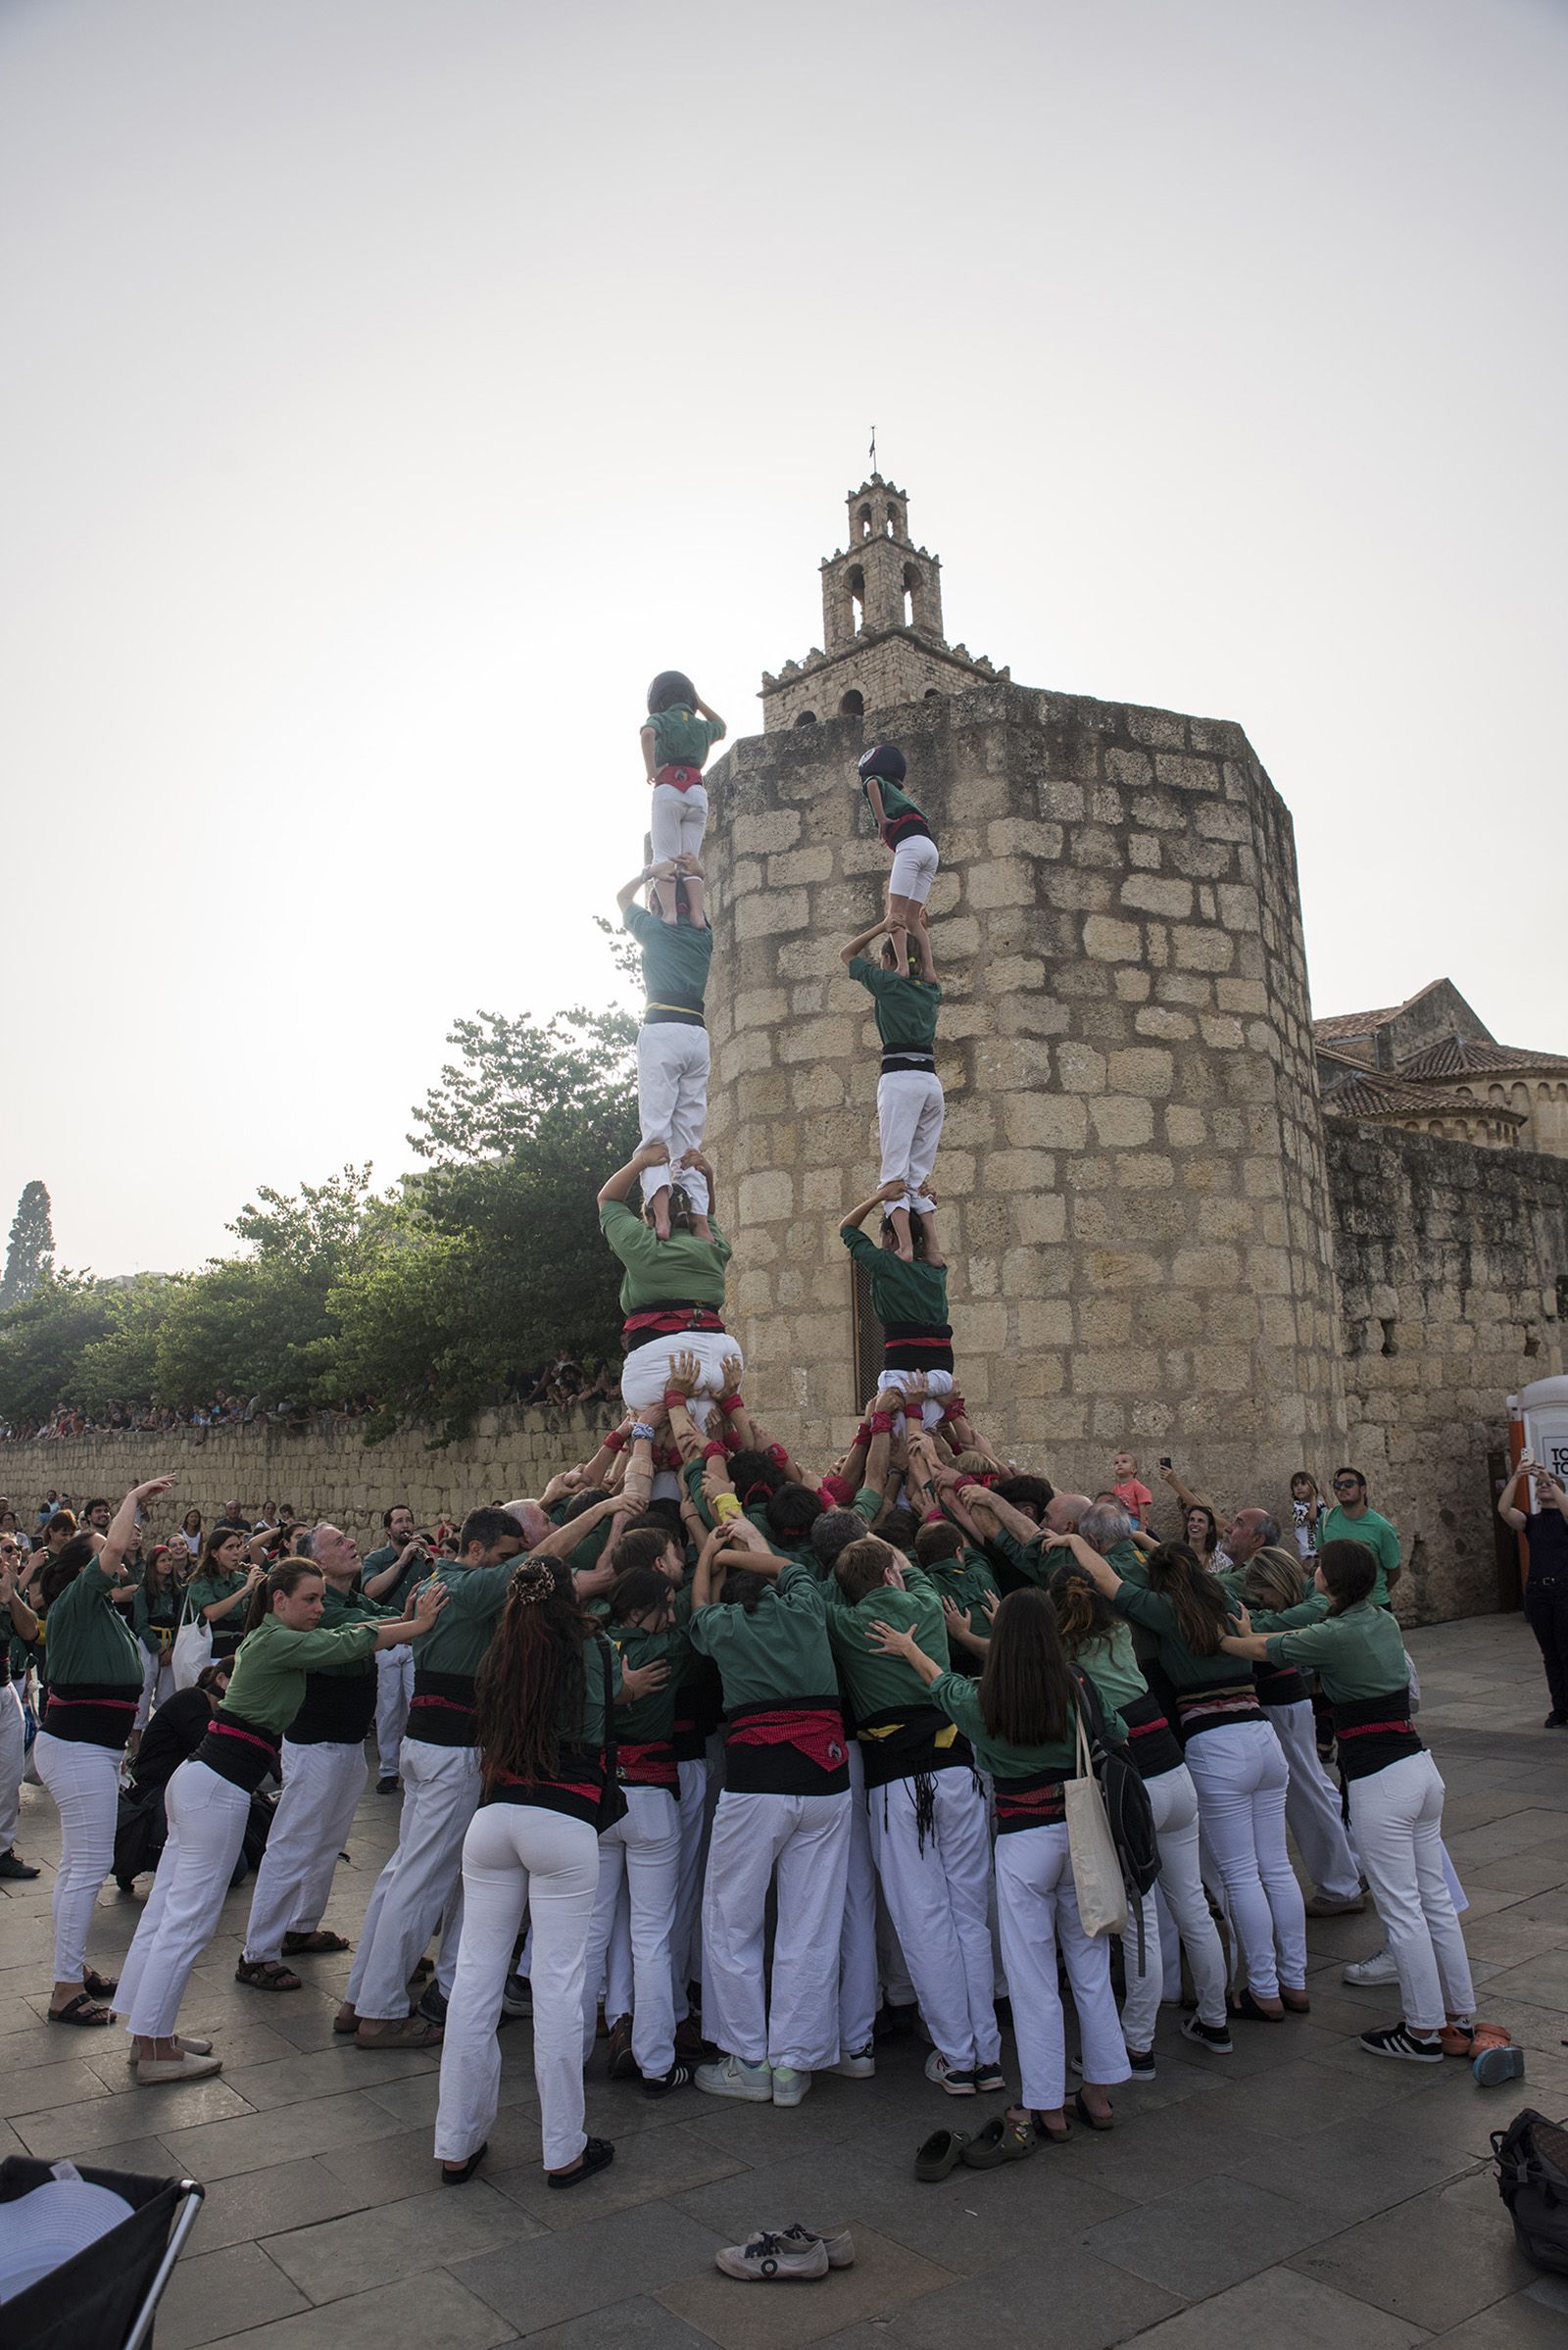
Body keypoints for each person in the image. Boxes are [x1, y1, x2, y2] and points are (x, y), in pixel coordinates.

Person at [114, 1557, 445, 2083]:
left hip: (204, 1784)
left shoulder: (276, 1638)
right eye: (309, 1600)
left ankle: (151, 2036)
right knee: (187, 1920)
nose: (318, 1608)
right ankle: (154, 2048)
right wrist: (420, 1625)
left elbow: (350, 1629)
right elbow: (346, 1643)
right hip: (214, 1790)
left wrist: (396, 1621)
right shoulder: (275, 1642)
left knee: (166, 1915)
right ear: (279, 1601)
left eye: (320, 1599)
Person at [868, 1588, 1129, 2140]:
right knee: (1090, 1967)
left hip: (1022, 1842)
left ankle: (1044, 2105)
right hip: (1082, 1833)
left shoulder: (986, 1699)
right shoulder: (1079, 1683)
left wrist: (909, 1649)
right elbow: (1119, 1736)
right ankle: (1100, 2095)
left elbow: (941, 1685)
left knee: (1033, 1978)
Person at [1221, 1540, 1477, 2063]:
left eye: (1320, 1569)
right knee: (1433, 1903)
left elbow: (1267, 1651)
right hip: (1420, 1770)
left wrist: (1221, 1637)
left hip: (1381, 1780)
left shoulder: (1334, 1635)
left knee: (1403, 1910)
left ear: (1330, 1581)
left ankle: (1424, 2032)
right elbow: (1291, 1636)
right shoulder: (1381, 1620)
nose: (1313, 1572)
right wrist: (1259, 1632)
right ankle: (1461, 2016)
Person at [435, 1556, 624, 2188]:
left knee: (472, 1985)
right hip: (562, 1821)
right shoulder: (592, 1648)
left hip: (494, 1822)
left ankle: (456, 2144)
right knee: (559, 1987)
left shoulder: (500, 1654)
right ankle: (562, 2148)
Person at [1070, 1538, 1309, 2025]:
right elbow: (1183, 1564)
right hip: (1261, 1734)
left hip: (1215, 1743)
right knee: (1277, 1867)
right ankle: (1296, 1981)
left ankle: (1262, 1989)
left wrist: (1075, 1539)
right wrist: (1143, 1537)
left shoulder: (1164, 1608)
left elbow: (1106, 1579)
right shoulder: (1226, 1597)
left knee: (1240, 1874)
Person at [340, 1508, 530, 2047]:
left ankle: (361, 1999)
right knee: (421, 1881)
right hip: (449, 1752)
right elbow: (542, 1560)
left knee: (404, 1872)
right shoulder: (462, 1587)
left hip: (428, 1746)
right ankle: (379, 2011)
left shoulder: (436, 1582)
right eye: (501, 1557)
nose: (508, 1567)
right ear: (474, 1551)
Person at [1046, 1530, 1232, 2070]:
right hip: (1174, 1771)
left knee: (1142, 1918)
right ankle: (1215, 2021)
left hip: (1134, 1787)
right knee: (1191, 1904)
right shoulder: (1121, 1636)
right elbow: (1107, 1579)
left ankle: (1136, 2044)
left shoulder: (1064, 1656)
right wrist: (1076, 1540)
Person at [826, 1534, 1001, 2097]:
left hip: (899, 1783)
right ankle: (986, 2052)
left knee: (922, 1918)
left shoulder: (848, 1623)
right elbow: (909, 1569)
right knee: (970, 1915)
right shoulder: (925, 1602)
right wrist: (884, 1551)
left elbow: (824, 1589)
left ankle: (959, 2056)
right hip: (957, 1770)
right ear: (891, 1575)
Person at [686, 1523, 853, 2108]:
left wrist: (709, 1553)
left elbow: (699, 1606)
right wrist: (749, 1539)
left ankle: (748, 2058)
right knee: (811, 1923)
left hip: (755, 1786)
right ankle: (794, 2064)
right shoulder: (806, 1607)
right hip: (827, 1781)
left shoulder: (723, 1627)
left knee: (733, 1920)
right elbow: (788, 1568)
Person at [235, 1523, 402, 1988]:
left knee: (327, 1843)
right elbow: (367, 1631)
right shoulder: (318, 1610)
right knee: (292, 1844)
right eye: (338, 1542)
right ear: (317, 1563)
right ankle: (257, 1952)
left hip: (345, 1744)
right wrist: (417, 1620)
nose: (352, 1544)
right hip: (316, 1745)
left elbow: (382, 1615)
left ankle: (300, 1928)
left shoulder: (349, 1601)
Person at [34, 1479, 172, 2025]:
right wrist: (133, 1499)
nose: (118, 1551)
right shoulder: (75, 1602)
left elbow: (122, 1562)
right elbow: (114, 1549)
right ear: (81, 1568)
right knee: (87, 1866)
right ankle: (65, 1989)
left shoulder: (101, 1608)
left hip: (89, 1749)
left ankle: (73, 1967)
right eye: (102, 1551)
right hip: (77, 1748)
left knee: (77, 1866)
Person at [580, 1561, 689, 2095]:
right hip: (650, 1800)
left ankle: (573, 2050)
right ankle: (656, 2061)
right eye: (664, 1605)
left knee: (590, 1931)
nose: (671, 1615)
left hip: (601, 1796)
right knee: (651, 1935)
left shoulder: (593, 1647)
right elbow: (701, 1607)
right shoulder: (666, 1650)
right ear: (641, 1608)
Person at [1241, 1547, 1365, 1917]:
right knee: (1317, 1789)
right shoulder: (1299, 1605)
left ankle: (1340, 1885)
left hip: (1283, 1705)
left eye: (1263, 1595)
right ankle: (1355, 1867)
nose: (1261, 1602)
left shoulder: (1309, 1607)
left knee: (1306, 1798)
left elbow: (1265, 1631)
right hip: (1289, 1703)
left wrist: (1244, 1628)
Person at [598, 1141, 738, 1431]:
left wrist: (641, 1161)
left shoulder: (645, 1247)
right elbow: (707, 1215)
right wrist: (707, 1177)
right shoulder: (711, 1245)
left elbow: (608, 1200)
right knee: (710, 1443)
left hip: (662, 1359)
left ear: (650, 1216)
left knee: (658, 1446)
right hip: (722, 1360)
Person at [618, 860, 715, 1240]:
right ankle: (700, 1219)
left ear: (659, 906)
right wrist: (695, 877)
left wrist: (649, 873)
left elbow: (621, 898)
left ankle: (661, 1216)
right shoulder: (702, 936)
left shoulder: (654, 930)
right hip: (696, 1034)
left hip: (663, 1029)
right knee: (689, 1137)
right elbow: (696, 907)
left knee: (655, 1132)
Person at [840, 917, 943, 1263]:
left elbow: (847, 954)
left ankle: (906, 1247)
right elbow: (927, 963)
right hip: (931, 1083)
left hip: (900, 1080)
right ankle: (933, 1247)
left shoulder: (887, 984)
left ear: (887, 960)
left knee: (893, 1174)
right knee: (917, 1175)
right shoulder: (930, 989)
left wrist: (882, 927)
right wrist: (918, 931)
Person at [839, 1180, 956, 1432]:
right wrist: (923, 1206)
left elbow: (847, 1228)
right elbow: (932, 1248)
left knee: (895, 1445)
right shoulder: (935, 1271)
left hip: (904, 1373)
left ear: (891, 1237)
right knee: (931, 1438)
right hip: (942, 1373)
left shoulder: (887, 1264)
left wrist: (880, 1196)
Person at [640, 671, 725, 926]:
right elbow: (721, 726)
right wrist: (698, 703)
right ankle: (698, 915)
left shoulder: (661, 719)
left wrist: (650, 770)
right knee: (690, 859)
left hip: (668, 787)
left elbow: (646, 734)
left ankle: (670, 913)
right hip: (697, 792)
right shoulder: (701, 725)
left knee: (664, 856)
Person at [359, 1506, 434, 1792]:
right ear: (388, 1529)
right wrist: (401, 1562)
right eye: (399, 1521)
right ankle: (389, 1770)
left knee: (417, 1705)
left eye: (409, 1519)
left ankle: (414, 1768)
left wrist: (433, 1560)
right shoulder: (377, 1559)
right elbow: (370, 1590)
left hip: (417, 1642)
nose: (406, 1525)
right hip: (388, 1643)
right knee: (389, 1709)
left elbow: (444, 1584)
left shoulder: (423, 1558)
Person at [856, 743, 937, 981]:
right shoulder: (899, 795)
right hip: (929, 850)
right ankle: (929, 970)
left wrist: (881, 819)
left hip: (910, 847)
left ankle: (902, 966)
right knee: (912, 918)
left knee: (896, 915)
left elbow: (870, 783)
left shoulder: (874, 781)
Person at [1496, 1458, 1568, 1727]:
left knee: (1566, 1651)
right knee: (1550, 1654)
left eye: (1548, 1484)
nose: (1543, 1486)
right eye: (1539, 1485)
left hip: (1564, 1591)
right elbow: (1504, 1510)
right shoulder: (1532, 1521)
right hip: (1539, 1593)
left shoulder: (1564, 1519)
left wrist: (1549, 1478)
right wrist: (1517, 1476)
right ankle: (1559, 1708)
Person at [0, 1539, 40, 1880]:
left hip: (5, 1687)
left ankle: (2, 1849)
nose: (11, 1557)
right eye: (4, 1550)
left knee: (9, 1775)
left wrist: (11, 1595)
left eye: (14, 1551)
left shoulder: (11, 1592)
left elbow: (29, 1631)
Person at [1318, 1468, 1401, 1605]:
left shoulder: (1382, 1528)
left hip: (1373, 1605)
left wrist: (1373, 1595)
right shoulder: (1326, 1520)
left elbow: (1394, 1572)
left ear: (1363, 1489)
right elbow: (1323, 1558)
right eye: (1338, 1485)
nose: (1342, 1488)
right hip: (1338, 1605)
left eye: (1349, 1483)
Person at [186, 1526, 263, 1662]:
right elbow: (212, 1613)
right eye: (229, 1548)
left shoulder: (241, 1579)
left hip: (241, 1651)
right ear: (215, 1553)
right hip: (213, 1653)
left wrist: (260, 1588)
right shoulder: (201, 1580)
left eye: (238, 1546)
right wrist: (246, 1588)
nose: (236, 1552)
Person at [131, 1544, 182, 1738]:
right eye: (163, 1560)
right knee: (143, 1692)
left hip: (170, 1645)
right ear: (153, 1565)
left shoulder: (176, 1592)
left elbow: (179, 1622)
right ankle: (136, 1744)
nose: (168, 1564)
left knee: (167, 1695)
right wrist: (159, 1650)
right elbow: (141, 1624)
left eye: (169, 1560)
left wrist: (171, 1648)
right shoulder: (143, 1592)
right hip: (149, 1644)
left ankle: (159, 1738)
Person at [1111, 1452, 1153, 1532]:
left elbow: (1142, 1507)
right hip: (1121, 1519)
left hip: (1134, 1520)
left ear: (1133, 1469)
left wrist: (1142, 1524)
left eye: (1124, 1461)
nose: (1119, 1464)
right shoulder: (1116, 1488)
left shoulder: (1138, 1487)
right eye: (1116, 1463)